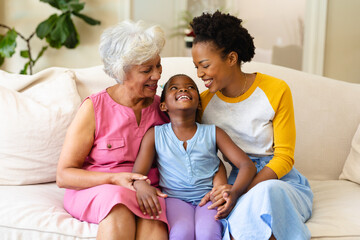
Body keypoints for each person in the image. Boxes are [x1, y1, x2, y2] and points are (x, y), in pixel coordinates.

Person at [190, 11, 314, 240]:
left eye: (205, 65)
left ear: (231, 58)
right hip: (237, 180)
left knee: (267, 192)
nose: (199, 74)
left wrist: (240, 192)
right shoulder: (203, 103)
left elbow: (284, 157)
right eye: (196, 66)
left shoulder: (276, 90)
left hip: (280, 183)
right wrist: (229, 189)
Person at [56, 20, 170, 240]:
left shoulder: (163, 107)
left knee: (154, 226)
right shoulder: (94, 108)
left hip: (147, 191)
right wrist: (113, 180)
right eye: (147, 70)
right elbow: (64, 175)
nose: (157, 75)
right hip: (100, 188)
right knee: (118, 204)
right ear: (121, 72)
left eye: (158, 65)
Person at [132, 74, 257, 240]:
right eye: (174, 88)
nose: (183, 89)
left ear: (199, 103)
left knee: (208, 235)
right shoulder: (155, 135)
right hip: (174, 200)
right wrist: (141, 185)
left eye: (190, 87)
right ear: (163, 106)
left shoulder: (214, 132)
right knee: (182, 234)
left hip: (209, 198)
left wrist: (234, 192)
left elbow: (247, 165)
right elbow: (138, 174)